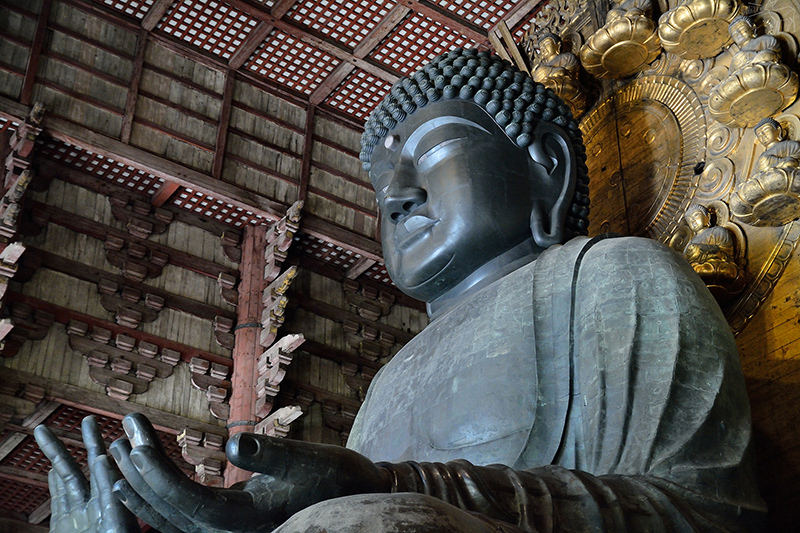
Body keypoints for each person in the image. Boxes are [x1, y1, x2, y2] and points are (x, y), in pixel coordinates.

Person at [35, 49, 764, 532]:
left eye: (434, 154)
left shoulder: (616, 278)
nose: (397, 197)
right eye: (381, 185)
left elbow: (710, 515)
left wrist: (387, 488)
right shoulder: (391, 379)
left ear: (545, 167)